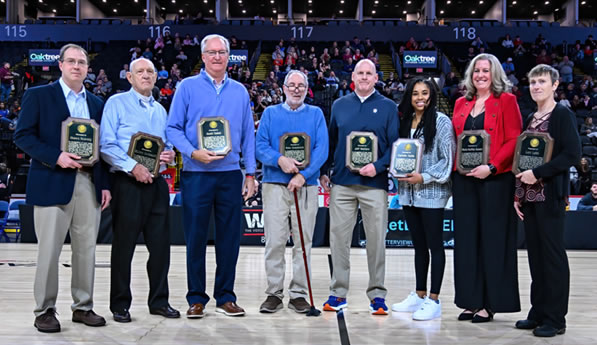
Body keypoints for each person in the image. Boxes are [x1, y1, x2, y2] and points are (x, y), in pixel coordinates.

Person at [14, 43, 111, 333]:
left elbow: (101, 149)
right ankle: (44, 310)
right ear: (61, 65)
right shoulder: (38, 95)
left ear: (87, 68)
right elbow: (22, 136)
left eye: (82, 62)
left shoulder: (96, 103)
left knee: (86, 250)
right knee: (49, 252)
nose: (77, 66)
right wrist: (56, 157)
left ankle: (83, 307)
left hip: (88, 183)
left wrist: (104, 185)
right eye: (71, 61)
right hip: (51, 179)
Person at [166, 34, 256, 319]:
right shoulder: (187, 87)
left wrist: (250, 173)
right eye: (211, 52)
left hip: (230, 174)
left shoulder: (240, 91)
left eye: (222, 52)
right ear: (203, 57)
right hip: (196, 173)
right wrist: (193, 153)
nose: (217, 57)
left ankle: (226, 296)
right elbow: (172, 129)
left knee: (230, 238)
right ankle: (196, 298)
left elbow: (248, 136)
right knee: (195, 238)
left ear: (229, 57)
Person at [99, 58, 180, 323]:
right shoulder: (116, 103)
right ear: (129, 76)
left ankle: (159, 301)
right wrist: (133, 167)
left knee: (160, 248)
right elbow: (107, 145)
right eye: (140, 71)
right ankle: (120, 304)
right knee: (124, 248)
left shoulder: (160, 109)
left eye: (150, 72)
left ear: (156, 77)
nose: (146, 75)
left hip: (156, 184)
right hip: (127, 182)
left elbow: (165, 145)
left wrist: (169, 154)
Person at [320, 59, 399, 315]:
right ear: (352, 76)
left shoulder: (388, 107)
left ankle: (377, 294)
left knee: (376, 241)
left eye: (369, 73)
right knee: (339, 241)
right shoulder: (340, 105)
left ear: (376, 78)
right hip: (342, 184)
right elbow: (331, 143)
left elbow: (395, 146)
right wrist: (324, 171)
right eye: (360, 73)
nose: (364, 77)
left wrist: (378, 166)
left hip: (374, 184)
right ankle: (338, 293)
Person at [451, 53, 522, 323]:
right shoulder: (460, 102)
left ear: (495, 74)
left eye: (486, 70)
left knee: (492, 242)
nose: (481, 75)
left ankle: (490, 304)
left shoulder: (507, 101)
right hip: (465, 180)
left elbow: (514, 139)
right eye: (477, 70)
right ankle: (471, 301)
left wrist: (491, 167)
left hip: (495, 179)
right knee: (467, 242)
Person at [513, 64, 581, 337]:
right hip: (530, 198)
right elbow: (523, 160)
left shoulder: (562, 114)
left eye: (542, 81)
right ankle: (538, 311)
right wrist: (518, 194)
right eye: (532, 82)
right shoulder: (531, 116)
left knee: (552, 257)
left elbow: (572, 155)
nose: (536, 86)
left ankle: (556, 318)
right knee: (536, 258)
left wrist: (538, 173)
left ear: (555, 85)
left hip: (550, 196)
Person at [255, 70, 328, 313]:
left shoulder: (316, 114)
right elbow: (260, 147)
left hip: (305, 187)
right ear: (283, 88)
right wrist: (279, 160)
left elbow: (322, 150)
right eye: (291, 85)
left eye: (301, 85)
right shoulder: (269, 113)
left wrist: (302, 175)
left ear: (307, 89)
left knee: (303, 242)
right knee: (274, 241)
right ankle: (274, 293)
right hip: (275, 185)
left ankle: (298, 293)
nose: (296, 89)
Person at [391, 78, 455, 321]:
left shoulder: (441, 122)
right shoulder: (405, 121)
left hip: (431, 193)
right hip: (408, 194)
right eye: (415, 93)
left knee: (435, 246)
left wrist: (424, 177)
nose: (420, 97)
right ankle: (419, 294)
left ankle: (434, 299)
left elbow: (447, 161)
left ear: (432, 96)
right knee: (418, 246)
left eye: (425, 93)